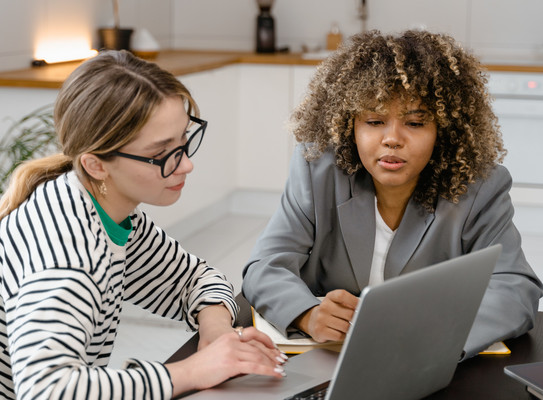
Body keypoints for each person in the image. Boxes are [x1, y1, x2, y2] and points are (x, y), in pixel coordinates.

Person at [0, 50, 287, 400]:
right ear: (96, 165)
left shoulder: (111, 213)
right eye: (163, 153)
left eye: (184, 140)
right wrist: (193, 370)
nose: (185, 166)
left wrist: (218, 332)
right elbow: (47, 390)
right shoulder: (68, 253)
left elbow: (195, 277)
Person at [242, 29, 543, 360]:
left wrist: (435, 338)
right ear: (349, 126)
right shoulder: (318, 170)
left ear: (443, 130)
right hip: (327, 360)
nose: (392, 139)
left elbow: (515, 289)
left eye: (415, 123)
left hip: (425, 367)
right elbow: (265, 265)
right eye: (374, 120)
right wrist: (307, 315)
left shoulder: (479, 186)